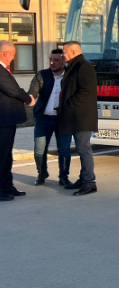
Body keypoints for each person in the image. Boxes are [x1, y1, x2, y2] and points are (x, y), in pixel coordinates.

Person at [58, 41, 98, 196]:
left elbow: (85, 92)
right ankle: (83, 179)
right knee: (82, 148)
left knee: (83, 148)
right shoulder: (74, 66)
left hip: (82, 117)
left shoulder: (84, 67)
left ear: (73, 52)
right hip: (75, 116)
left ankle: (89, 182)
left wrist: (68, 104)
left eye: (64, 52)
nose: (62, 55)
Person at [28, 49, 73, 186]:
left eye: (56, 60)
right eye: (50, 60)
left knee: (64, 150)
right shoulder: (42, 75)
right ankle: (42, 173)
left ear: (64, 61)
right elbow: (33, 91)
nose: (52, 63)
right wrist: (30, 97)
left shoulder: (70, 76)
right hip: (44, 119)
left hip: (63, 120)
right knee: (39, 150)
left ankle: (64, 177)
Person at [0, 40, 35, 201]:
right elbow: (13, 90)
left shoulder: (3, 69)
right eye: (13, 55)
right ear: (5, 53)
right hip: (3, 119)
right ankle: (2, 189)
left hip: (7, 119)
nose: (13, 58)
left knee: (7, 156)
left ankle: (8, 186)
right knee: (2, 155)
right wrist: (28, 99)